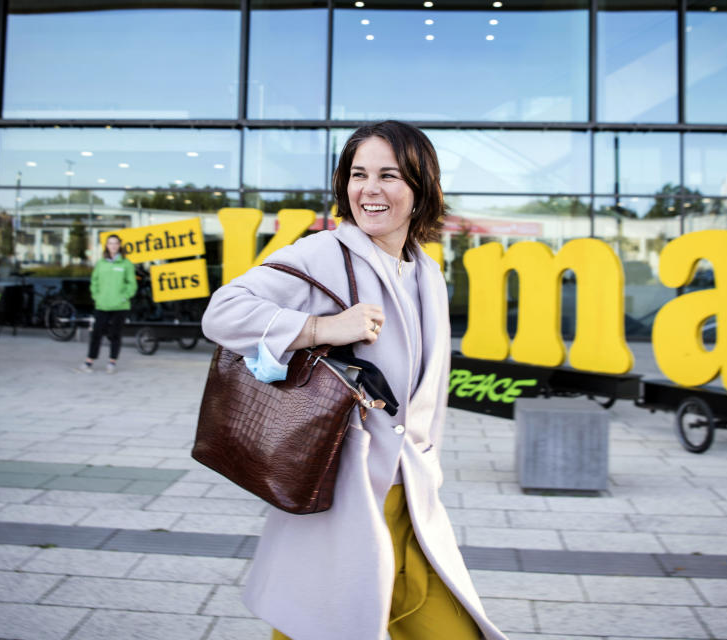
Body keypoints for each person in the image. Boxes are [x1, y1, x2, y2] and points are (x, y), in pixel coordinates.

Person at [202, 121, 506, 640]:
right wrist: (319, 327)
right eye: (358, 174)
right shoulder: (323, 253)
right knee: (322, 623)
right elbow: (222, 313)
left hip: (409, 492)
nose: (369, 189)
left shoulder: (424, 270)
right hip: (343, 494)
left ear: (421, 187)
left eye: (388, 175)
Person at [78, 234, 137, 373]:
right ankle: (89, 361)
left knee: (115, 334)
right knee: (96, 333)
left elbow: (132, 285)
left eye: (116, 243)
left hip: (120, 306)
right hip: (102, 305)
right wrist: (96, 296)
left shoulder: (126, 263)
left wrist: (124, 297)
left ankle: (112, 362)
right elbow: (94, 282)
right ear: (107, 246)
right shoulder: (101, 263)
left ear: (119, 245)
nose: (113, 246)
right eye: (110, 243)